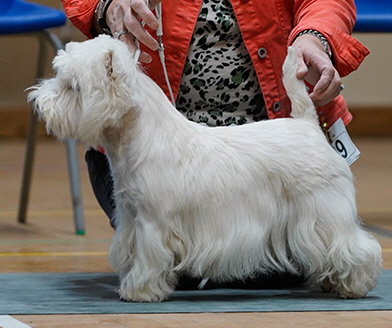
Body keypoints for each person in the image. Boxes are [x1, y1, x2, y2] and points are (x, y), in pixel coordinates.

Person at [60, 0, 369, 289]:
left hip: (282, 139)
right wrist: (109, 4)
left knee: (266, 277)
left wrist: (314, 37)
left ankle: (345, 261)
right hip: (138, 147)